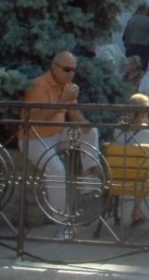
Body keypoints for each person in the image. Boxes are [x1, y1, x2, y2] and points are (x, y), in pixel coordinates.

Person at [19, 52, 101, 218]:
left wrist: (84, 124)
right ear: (54, 68)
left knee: (91, 132)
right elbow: (38, 120)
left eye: (73, 70)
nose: (70, 74)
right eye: (66, 69)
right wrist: (63, 100)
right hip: (35, 138)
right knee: (57, 170)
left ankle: (88, 180)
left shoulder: (67, 87)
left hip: (58, 135)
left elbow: (74, 116)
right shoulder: (39, 85)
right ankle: (61, 219)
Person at [112, 94, 149, 225]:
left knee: (142, 170)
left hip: (120, 176)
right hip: (143, 176)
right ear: (145, 111)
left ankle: (136, 212)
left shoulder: (117, 130)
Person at [123, 2, 149, 70]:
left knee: (131, 68)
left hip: (131, 48)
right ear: (146, 9)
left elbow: (125, 36)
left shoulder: (130, 20)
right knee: (142, 69)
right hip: (144, 50)